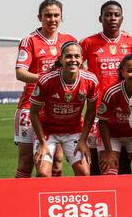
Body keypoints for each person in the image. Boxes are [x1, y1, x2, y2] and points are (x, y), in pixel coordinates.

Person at [14, 0, 76, 178]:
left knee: (56, 162)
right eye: (48, 15)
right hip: (29, 107)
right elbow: (20, 73)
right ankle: (22, 203)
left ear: (62, 17)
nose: (52, 19)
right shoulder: (30, 40)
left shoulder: (69, 40)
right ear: (39, 17)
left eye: (56, 15)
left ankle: (50, 202)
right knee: (26, 161)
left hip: (56, 110)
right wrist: (47, 79)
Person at [80, 0, 132, 175]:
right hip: (97, 112)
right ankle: (100, 198)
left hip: (125, 111)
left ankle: (124, 200)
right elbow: (73, 64)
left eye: (116, 15)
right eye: (108, 14)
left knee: (124, 161)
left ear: (122, 19)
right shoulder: (88, 42)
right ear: (100, 18)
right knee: (100, 161)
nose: (112, 18)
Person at [29, 42, 99, 177]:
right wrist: (42, 143)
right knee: (43, 173)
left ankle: (79, 198)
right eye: (68, 56)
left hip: (74, 130)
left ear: (81, 59)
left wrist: (83, 140)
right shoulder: (46, 80)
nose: (73, 60)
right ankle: (48, 198)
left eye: (77, 56)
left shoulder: (90, 80)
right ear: (61, 59)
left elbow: (91, 111)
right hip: (47, 131)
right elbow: (34, 112)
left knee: (84, 173)